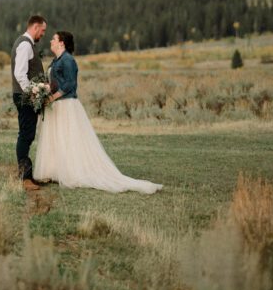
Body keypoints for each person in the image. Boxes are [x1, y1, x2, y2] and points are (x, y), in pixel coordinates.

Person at [34, 30, 162, 194]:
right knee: (55, 138)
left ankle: (73, 172)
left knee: (68, 138)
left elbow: (70, 84)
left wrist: (52, 98)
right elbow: (53, 82)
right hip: (55, 106)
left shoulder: (68, 60)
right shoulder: (55, 61)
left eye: (54, 39)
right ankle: (53, 170)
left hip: (66, 105)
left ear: (62, 43)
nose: (50, 41)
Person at [12, 14, 47, 191]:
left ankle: (27, 175)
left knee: (28, 134)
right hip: (24, 97)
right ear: (35, 27)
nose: (43, 34)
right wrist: (32, 92)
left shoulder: (26, 44)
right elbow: (20, 74)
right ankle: (24, 178)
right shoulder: (25, 45)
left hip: (24, 96)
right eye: (42, 30)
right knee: (26, 135)